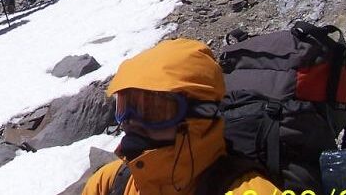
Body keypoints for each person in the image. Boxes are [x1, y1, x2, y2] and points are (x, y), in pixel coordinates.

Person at [81, 39, 279, 195]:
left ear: (200, 117)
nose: (130, 120)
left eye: (153, 109)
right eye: (125, 106)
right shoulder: (110, 182)